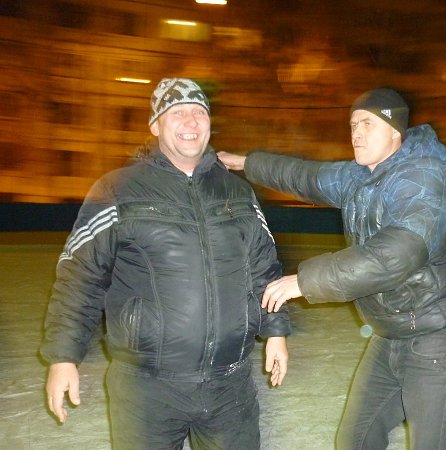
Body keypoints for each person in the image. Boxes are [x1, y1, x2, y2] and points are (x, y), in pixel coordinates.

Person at [218, 87, 446, 450]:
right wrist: (247, 163)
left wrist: (303, 282)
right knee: (356, 439)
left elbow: (395, 255)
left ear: (395, 131)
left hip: (435, 336)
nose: (356, 132)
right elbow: (303, 175)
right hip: (389, 334)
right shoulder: (358, 177)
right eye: (353, 124)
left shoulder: (423, 180)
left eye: (368, 123)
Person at [40, 77, 290, 450]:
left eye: (199, 112)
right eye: (177, 112)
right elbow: (81, 278)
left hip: (229, 386)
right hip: (147, 389)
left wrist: (276, 331)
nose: (190, 121)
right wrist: (64, 356)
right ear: (155, 125)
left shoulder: (238, 192)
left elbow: (264, 269)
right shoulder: (117, 190)